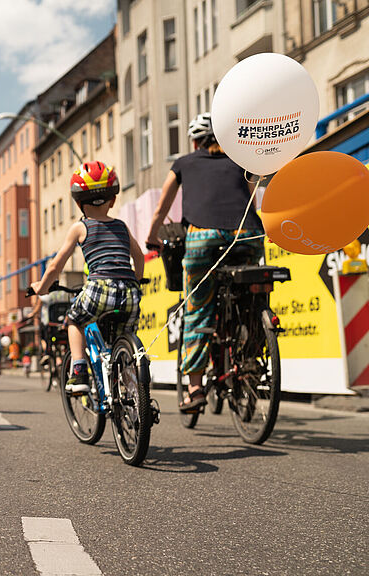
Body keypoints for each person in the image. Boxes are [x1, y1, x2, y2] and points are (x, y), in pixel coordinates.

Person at [146, 113, 265, 413]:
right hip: (247, 235)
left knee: (198, 311)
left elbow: (162, 206)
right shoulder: (241, 160)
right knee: (252, 296)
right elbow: (252, 200)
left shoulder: (184, 163)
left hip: (203, 237)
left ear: (195, 142)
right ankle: (251, 354)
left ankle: (195, 389)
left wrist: (152, 237)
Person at [30, 162, 144, 394]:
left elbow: (56, 265)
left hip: (99, 288)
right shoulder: (122, 227)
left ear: (78, 203)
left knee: (74, 320)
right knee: (124, 339)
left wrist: (41, 287)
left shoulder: (80, 228)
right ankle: (135, 395)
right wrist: (137, 281)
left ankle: (79, 371)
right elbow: (139, 257)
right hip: (130, 293)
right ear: (113, 200)